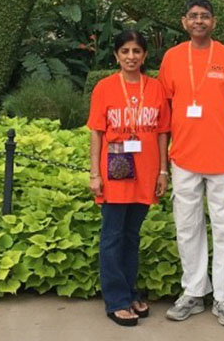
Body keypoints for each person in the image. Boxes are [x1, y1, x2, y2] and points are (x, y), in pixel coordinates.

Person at [158, 0, 224, 326]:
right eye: (193, 16)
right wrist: (162, 162)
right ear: (184, 22)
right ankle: (193, 292)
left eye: (205, 17)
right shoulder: (171, 58)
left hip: (222, 159)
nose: (199, 21)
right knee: (188, 228)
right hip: (183, 157)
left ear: (214, 22)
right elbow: (165, 111)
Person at [87, 30, 170, 327]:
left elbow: (162, 133)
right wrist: (94, 174)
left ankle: (130, 291)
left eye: (136, 51)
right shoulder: (105, 88)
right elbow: (96, 132)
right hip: (116, 169)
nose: (131, 57)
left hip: (145, 171)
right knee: (112, 236)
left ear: (144, 55)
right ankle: (116, 300)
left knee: (132, 236)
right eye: (125, 51)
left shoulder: (157, 88)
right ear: (116, 56)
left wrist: (163, 171)